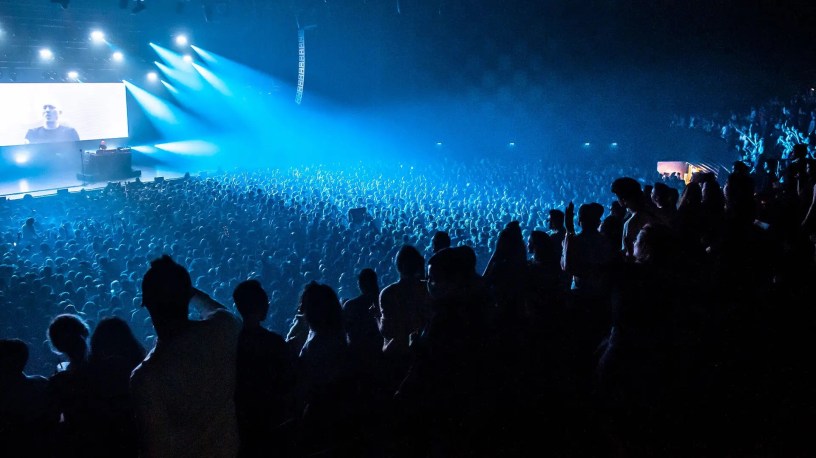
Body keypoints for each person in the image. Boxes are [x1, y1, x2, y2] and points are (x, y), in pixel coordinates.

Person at [130, 255, 241, 458]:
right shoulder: (222, 330)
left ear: (147, 305)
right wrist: (189, 291)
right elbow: (220, 311)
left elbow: (157, 449)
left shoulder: (146, 378)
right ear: (187, 296)